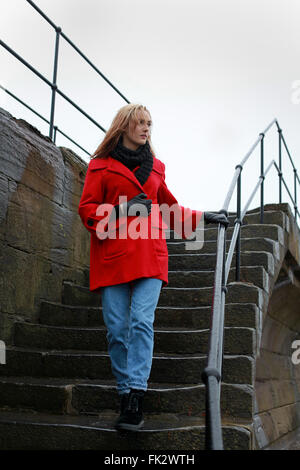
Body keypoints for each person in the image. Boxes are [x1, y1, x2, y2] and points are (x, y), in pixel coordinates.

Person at [78, 103, 229, 432]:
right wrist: (122, 209)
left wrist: (204, 217)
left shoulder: (157, 167)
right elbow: (86, 209)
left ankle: (134, 397)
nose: (147, 128)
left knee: (142, 323)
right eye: (141, 123)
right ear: (124, 127)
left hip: (150, 253)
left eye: (150, 123)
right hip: (112, 256)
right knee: (117, 331)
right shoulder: (100, 166)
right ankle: (123, 391)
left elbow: (170, 208)